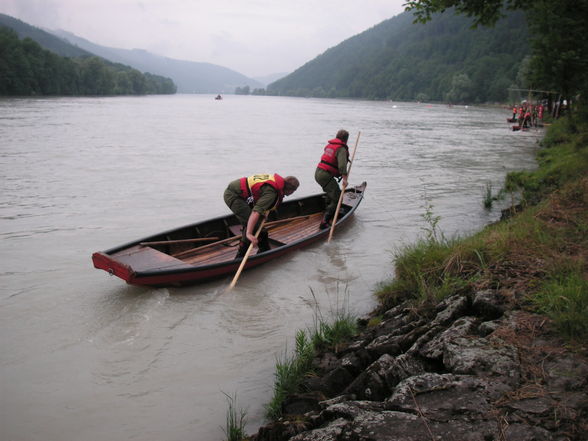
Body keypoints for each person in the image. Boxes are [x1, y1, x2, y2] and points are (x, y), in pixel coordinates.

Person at [224, 173, 300, 259]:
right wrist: (249, 233)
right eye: (293, 191)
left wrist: (262, 213)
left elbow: (259, 195)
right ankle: (241, 256)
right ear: (290, 190)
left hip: (243, 194)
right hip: (234, 195)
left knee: (255, 224)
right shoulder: (272, 193)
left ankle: (263, 251)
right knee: (256, 227)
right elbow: (256, 212)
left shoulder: (275, 184)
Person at [314, 129, 350, 230]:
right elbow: (342, 165)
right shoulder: (341, 149)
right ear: (346, 140)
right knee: (338, 198)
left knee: (331, 193)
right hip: (325, 175)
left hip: (318, 172)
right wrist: (345, 179)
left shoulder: (330, 145)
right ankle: (324, 221)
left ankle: (331, 211)